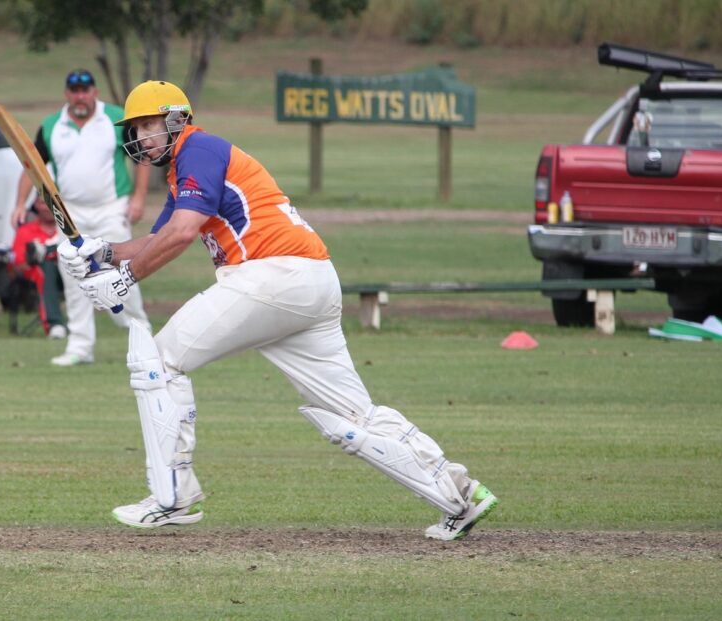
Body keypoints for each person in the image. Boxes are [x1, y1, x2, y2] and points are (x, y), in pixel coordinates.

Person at [57, 81, 498, 540]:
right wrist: (102, 253)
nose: (142, 138)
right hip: (311, 280)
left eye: (148, 126)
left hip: (271, 276)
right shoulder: (186, 170)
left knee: (160, 362)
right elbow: (156, 239)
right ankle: (459, 492)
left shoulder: (199, 150)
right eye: (136, 129)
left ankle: (173, 497)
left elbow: (182, 234)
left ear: (175, 120)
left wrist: (124, 281)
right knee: (353, 416)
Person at [12, 68, 151, 366]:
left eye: (85, 90)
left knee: (123, 272)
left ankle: (142, 337)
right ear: (67, 94)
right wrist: (19, 203)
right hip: (70, 211)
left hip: (111, 207)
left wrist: (139, 198)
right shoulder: (51, 126)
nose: (80, 96)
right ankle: (80, 347)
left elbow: (141, 158)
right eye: (74, 90)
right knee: (74, 275)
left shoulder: (114, 118)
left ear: (94, 92)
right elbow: (33, 166)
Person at [11, 194, 66, 339]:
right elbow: (19, 264)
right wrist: (36, 256)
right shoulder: (25, 231)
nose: (48, 207)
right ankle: (54, 324)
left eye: (51, 203)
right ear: (35, 205)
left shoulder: (67, 230)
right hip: (36, 276)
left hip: (68, 273)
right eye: (43, 203)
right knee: (46, 267)